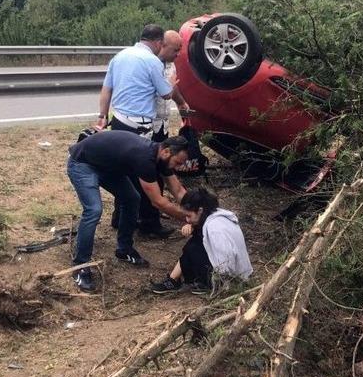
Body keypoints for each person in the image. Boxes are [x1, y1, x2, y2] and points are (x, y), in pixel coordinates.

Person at [67, 131, 190, 292]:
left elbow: (178, 190)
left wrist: (197, 209)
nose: (178, 167)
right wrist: (188, 217)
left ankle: (124, 249)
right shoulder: (145, 159)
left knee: (132, 199)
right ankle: (81, 265)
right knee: (94, 210)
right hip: (82, 164)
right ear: (166, 152)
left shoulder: (162, 158)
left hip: (107, 166)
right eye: (178, 162)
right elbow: (158, 202)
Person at [98, 25, 189, 238]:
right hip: (139, 127)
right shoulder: (151, 62)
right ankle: (149, 224)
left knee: (123, 171)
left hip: (119, 122)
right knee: (146, 172)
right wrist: (171, 83)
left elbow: (106, 88)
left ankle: (120, 217)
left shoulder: (120, 56)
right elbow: (166, 94)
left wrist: (102, 116)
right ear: (159, 43)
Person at [151, 188, 253, 295]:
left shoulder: (215, 229)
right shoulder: (217, 217)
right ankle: (173, 280)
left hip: (231, 276)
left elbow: (226, 257)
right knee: (195, 242)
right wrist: (192, 226)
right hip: (240, 272)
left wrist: (222, 283)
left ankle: (205, 283)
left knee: (192, 247)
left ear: (200, 210)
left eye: (189, 216)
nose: (187, 220)